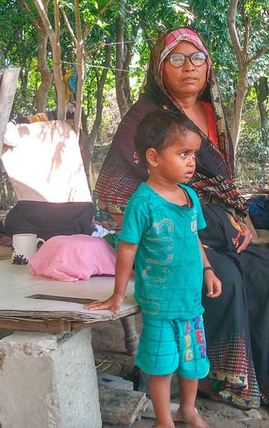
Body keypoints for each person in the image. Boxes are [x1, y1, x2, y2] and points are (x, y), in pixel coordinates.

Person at [95, 27, 269, 414]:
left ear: (208, 67)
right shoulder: (144, 118)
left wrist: (241, 223)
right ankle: (221, 380)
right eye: (176, 58)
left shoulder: (212, 113)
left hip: (223, 224)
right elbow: (114, 188)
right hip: (173, 230)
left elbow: (220, 182)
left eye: (197, 58)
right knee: (224, 285)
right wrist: (172, 239)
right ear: (159, 68)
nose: (188, 67)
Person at [87, 109, 221, 428]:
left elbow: (194, 239)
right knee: (161, 366)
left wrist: (208, 270)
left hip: (191, 304)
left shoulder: (190, 196)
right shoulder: (142, 203)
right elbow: (127, 249)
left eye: (194, 154)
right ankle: (164, 420)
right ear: (154, 157)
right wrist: (117, 294)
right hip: (160, 305)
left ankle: (188, 409)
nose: (192, 162)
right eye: (183, 153)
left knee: (191, 363)